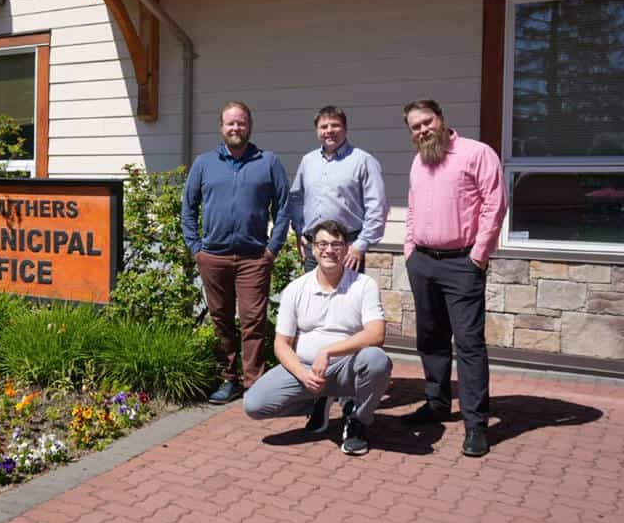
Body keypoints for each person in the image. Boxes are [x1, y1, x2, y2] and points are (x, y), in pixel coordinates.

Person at [400, 99, 507, 457]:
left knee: (469, 343)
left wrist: (479, 255)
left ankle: (476, 424)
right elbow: (412, 208)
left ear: (441, 118)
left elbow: (495, 205)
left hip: (462, 263)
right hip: (423, 262)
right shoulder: (419, 161)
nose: (423, 130)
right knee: (430, 337)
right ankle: (437, 404)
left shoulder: (477, 153)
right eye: (415, 127)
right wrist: (410, 249)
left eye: (427, 122)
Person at [243, 220, 390, 456]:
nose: (329, 250)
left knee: (376, 360)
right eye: (322, 244)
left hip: (347, 367)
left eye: (336, 244)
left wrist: (328, 351)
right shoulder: (296, 289)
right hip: (306, 368)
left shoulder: (364, 285)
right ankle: (317, 401)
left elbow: (376, 333)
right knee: (254, 404)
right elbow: (281, 344)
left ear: (346, 249)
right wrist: (303, 375)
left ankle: (358, 420)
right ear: (312, 249)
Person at [182, 101, 293, 404]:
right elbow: (188, 207)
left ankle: (253, 383)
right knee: (221, 320)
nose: (236, 128)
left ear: (250, 126)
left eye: (241, 122)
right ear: (221, 127)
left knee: (253, 321)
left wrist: (272, 249)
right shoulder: (204, 163)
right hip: (213, 257)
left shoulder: (268, 162)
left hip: (253, 258)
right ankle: (228, 379)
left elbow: (283, 207)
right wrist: (196, 248)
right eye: (230, 123)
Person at [290, 106, 389, 274]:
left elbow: (377, 207)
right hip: (314, 248)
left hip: (347, 249)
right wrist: (300, 232)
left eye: (335, 125)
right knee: (314, 291)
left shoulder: (363, 161)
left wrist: (360, 245)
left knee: (348, 291)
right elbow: (296, 198)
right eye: (323, 126)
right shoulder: (308, 161)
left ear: (345, 128)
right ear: (317, 131)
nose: (329, 130)